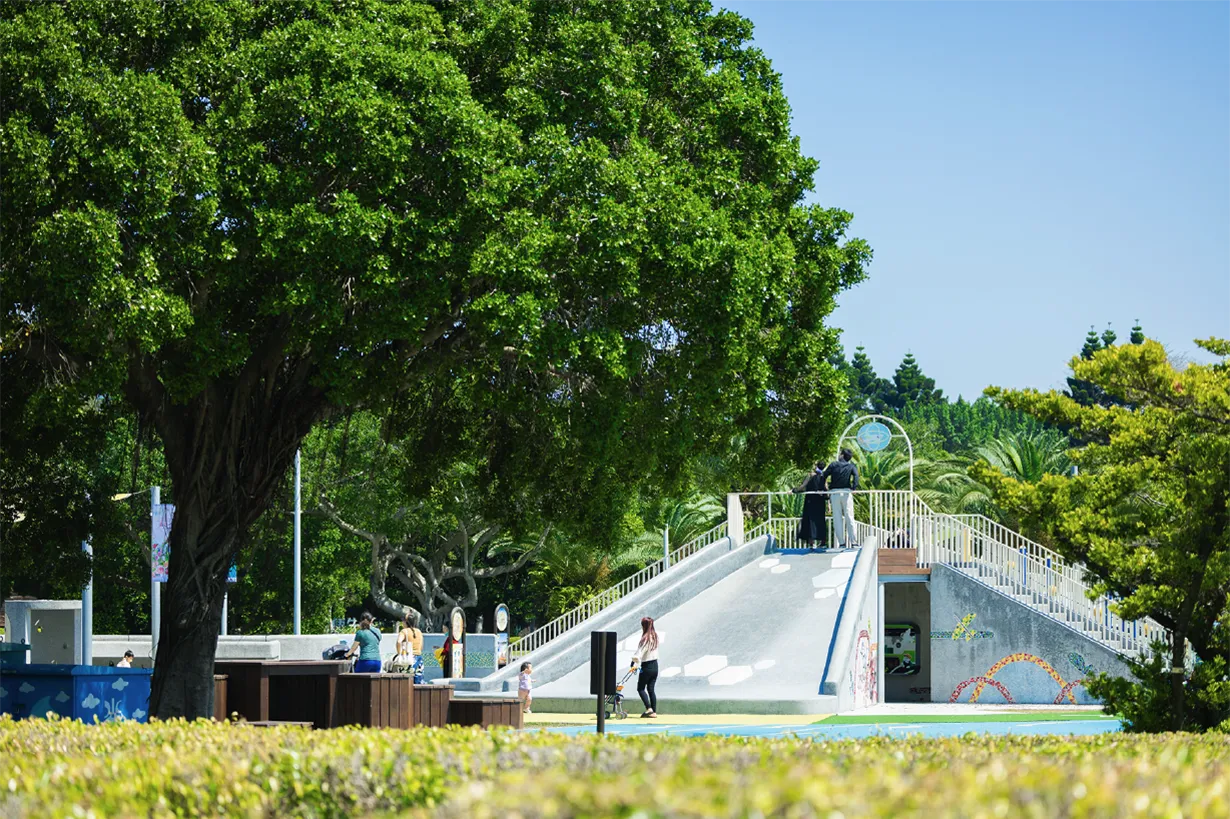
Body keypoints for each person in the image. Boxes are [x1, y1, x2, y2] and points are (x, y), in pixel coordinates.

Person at [823, 448, 860, 547]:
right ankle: (854, 542)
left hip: (834, 493)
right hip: (846, 493)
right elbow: (856, 476)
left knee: (837, 518)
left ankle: (842, 543)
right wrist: (854, 487)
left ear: (842, 455)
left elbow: (824, 475)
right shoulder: (851, 466)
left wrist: (823, 489)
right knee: (849, 517)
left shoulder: (834, 465)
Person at [791, 463, 829, 550]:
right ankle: (823, 541)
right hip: (820, 501)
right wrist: (828, 504)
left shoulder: (810, 475)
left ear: (816, 466)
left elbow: (803, 486)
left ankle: (812, 543)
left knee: (810, 520)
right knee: (820, 520)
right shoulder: (824, 477)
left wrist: (794, 490)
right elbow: (826, 490)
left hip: (810, 501)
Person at [629, 616, 659, 718]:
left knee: (640, 688)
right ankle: (654, 712)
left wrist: (633, 663)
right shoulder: (655, 637)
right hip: (655, 666)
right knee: (651, 689)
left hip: (646, 666)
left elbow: (639, 655)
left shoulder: (645, 638)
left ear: (644, 626)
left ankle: (648, 708)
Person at [395, 612, 424, 677]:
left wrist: (399, 653)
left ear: (406, 622)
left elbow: (399, 642)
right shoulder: (419, 631)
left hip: (408, 659)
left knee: (406, 682)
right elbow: (421, 647)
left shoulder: (404, 631)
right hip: (418, 658)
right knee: (417, 681)